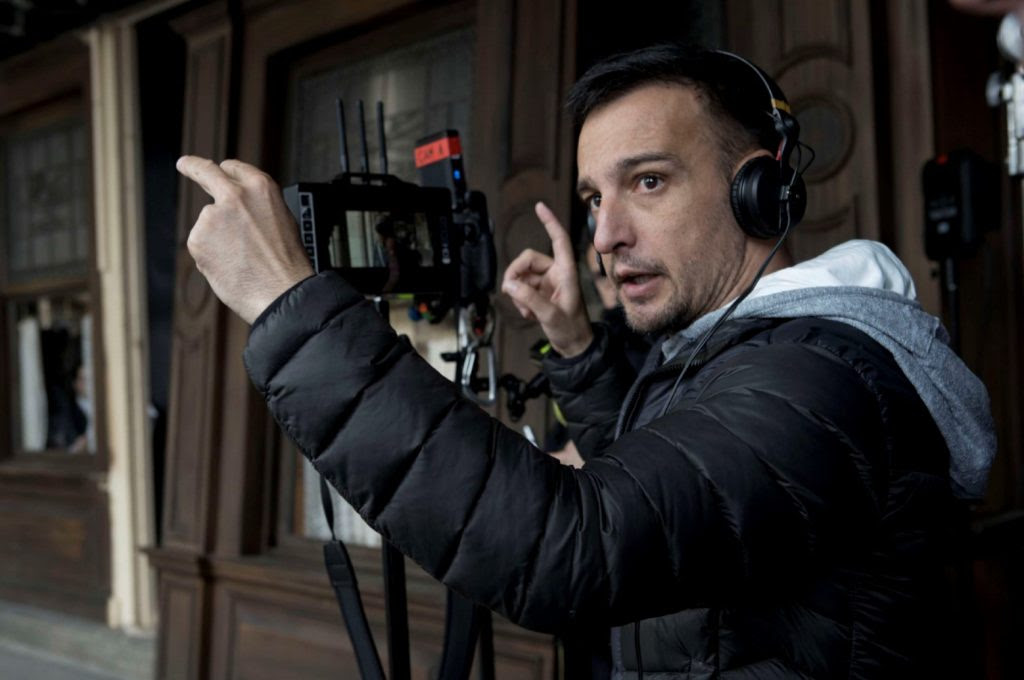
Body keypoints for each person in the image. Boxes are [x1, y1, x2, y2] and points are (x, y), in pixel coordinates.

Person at [177, 44, 995, 678]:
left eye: (648, 182)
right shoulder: (739, 350)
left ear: (762, 190)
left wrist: (292, 304)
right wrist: (573, 343)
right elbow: (671, 483)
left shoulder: (818, 378)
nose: (605, 235)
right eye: (596, 198)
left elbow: (568, 547)